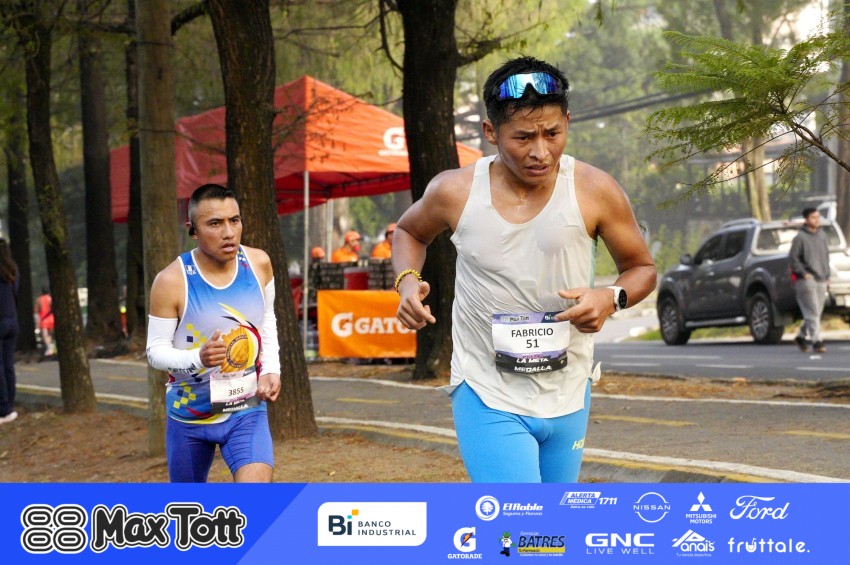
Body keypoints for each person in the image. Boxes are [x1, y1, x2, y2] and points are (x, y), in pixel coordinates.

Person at [393, 56, 656, 483]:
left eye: (553, 133)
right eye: (523, 137)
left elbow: (641, 268)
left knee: (553, 523)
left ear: (567, 121)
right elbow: (409, 232)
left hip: (569, 387)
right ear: (490, 132)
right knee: (521, 516)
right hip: (486, 388)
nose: (540, 151)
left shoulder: (595, 189)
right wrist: (407, 282)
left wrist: (610, 298)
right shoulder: (454, 191)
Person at [146, 183, 281, 483]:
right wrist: (199, 357)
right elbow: (155, 351)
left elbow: (266, 319)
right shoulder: (171, 281)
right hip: (189, 414)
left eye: (235, 220)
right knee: (189, 508)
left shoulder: (259, 263)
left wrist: (272, 368)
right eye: (215, 224)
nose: (229, 232)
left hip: (245, 410)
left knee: (255, 499)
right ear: (192, 230)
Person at [790, 207, 830, 353]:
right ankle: (817, 341)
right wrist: (803, 273)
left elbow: (826, 257)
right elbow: (793, 259)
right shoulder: (800, 238)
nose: (817, 220)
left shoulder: (822, 235)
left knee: (816, 312)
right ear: (806, 219)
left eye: (818, 217)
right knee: (812, 311)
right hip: (806, 280)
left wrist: (827, 276)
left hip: (822, 278)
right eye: (813, 217)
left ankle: (801, 336)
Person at [0, 235, 18, 425]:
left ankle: (3, 408)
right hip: (12, 320)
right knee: (8, 364)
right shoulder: (13, 270)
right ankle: (10, 404)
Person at [35, 287, 54, 357]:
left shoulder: (39, 300)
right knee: (50, 335)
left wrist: (37, 323)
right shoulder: (51, 298)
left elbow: (36, 312)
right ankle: (51, 347)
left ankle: (49, 348)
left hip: (44, 321)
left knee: (45, 335)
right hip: (52, 319)